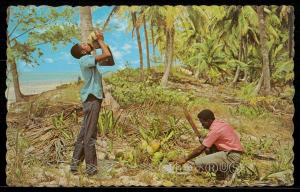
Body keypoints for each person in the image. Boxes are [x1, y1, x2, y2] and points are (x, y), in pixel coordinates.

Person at [69, 31, 114, 176]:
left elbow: (110, 61)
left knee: (84, 134)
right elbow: (105, 55)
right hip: (92, 98)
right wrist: (100, 41)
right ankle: (91, 170)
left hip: (91, 99)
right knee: (90, 135)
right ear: (83, 51)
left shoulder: (89, 58)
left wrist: (101, 44)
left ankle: (75, 166)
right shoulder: (85, 60)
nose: (85, 43)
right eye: (83, 44)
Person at [174, 109, 244, 179]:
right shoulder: (220, 123)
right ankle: (223, 174)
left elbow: (200, 150)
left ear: (209, 120)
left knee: (198, 163)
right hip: (233, 155)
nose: (202, 125)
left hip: (231, 157)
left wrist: (185, 159)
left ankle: (225, 172)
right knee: (209, 150)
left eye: (203, 123)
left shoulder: (215, 130)